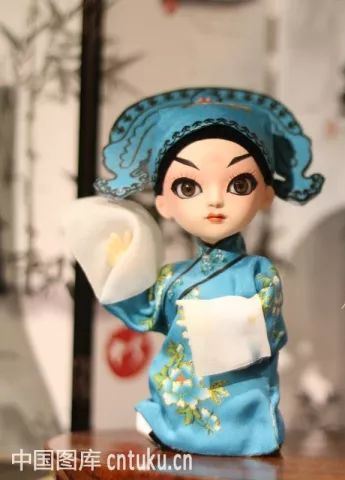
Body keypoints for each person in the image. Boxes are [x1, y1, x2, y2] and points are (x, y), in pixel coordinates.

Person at [64, 88, 324, 456]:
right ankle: (168, 424)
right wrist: (123, 266)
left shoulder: (259, 274)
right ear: (164, 203)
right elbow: (141, 307)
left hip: (243, 403)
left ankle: (237, 431)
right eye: (189, 187)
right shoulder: (171, 278)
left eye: (239, 184)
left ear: (266, 195)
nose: (215, 200)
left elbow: (267, 332)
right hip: (180, 403)